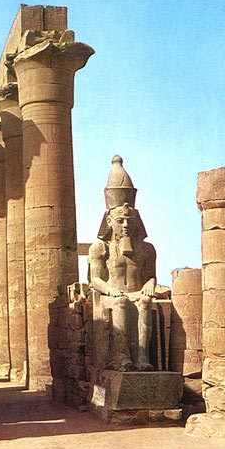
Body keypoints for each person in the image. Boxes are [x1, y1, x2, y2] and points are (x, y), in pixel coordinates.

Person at [89, 156, 156, 371]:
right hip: (112, 295)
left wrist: (149, 285)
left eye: (130, 220)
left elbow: (151, 276)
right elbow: (95, 279)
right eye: (120, 221)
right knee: (121, 303)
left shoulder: (146, 248)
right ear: (109, 221)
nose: (126, 225)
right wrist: (110, 289)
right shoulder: (100, 248)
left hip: (135, 292)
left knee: (145, 302)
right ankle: (122, 356)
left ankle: (143, 357)